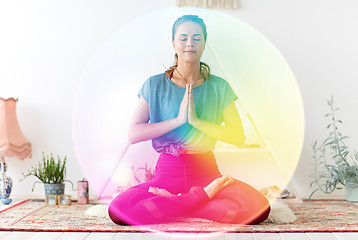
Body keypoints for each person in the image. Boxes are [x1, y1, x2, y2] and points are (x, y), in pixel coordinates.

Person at [108, 14, 270, 225]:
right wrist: (177, 120)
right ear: (173, 43)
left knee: (259, 209)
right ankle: (199, 199)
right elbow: (133, 134)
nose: (190, 43)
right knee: (118, 211)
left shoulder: (219, 87)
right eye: (183, 38)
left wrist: (197, 121)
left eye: (196, 38)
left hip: (206, 172)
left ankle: (175, 205)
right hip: (166, 174)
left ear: (204, 43)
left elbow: (237, 136)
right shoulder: (154, 84)